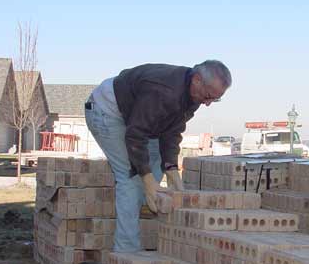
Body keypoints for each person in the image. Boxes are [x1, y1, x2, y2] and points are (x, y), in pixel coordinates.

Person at [85, 61, 232, 252]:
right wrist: (146, 179)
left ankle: (149, 203)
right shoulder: (162, 91)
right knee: (131, 179)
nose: (208, 103)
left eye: (215, 99)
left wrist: (171, 169)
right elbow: (135, 136)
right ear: (197, 80)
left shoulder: (193, 96)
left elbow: (171, 132)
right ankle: (127, 252)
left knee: (152, 166)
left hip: (136, 116)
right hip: (106, 111)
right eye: (208, 96)